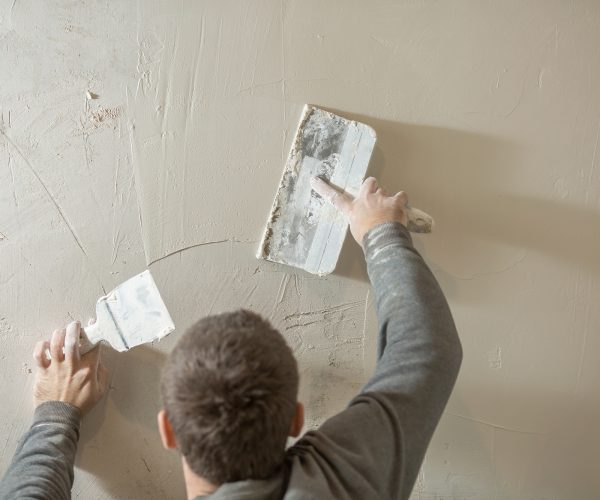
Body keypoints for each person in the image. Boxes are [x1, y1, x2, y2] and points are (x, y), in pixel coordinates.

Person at [0, 176, 462, 500]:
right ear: (296, 419)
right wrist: (382, 233)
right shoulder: (349, 480)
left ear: (168, 429)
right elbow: (428, 350)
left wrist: (54, 417)